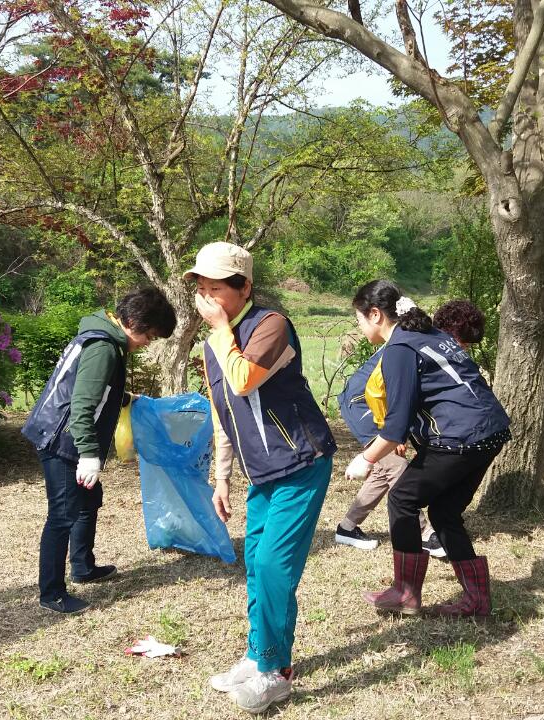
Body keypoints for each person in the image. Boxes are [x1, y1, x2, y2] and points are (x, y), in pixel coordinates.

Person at [187, 241, 337, 714]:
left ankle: (274, 672)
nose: (207, 297)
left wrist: (219, 330)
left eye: (216, 288)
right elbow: (222, 412)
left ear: (244, 288)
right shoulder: (215, 343)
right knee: (255, 561)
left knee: (274, 565)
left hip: (300, 463)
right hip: (261, 473)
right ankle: (259, 656)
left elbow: (243, 380)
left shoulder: (270, 325)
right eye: (202, 288)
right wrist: (222, 478)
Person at [346, 280, 511, 617]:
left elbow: (395, 425)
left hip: (461, 437)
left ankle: (406, 593)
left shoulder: (399, 348)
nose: (360, 327)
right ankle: (477, 600)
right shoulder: (427, 334)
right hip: (490, 430)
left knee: (402, 498)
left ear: (375, 314)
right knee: (444, 512)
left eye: (359, 319)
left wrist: (366, 458)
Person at [21, 287, 177, 615]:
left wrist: (127, 399)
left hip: (65, 434)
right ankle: (52, 593)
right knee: (62, 514)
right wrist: (89, 455)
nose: (148, 343)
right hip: (62, 439)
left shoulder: (105, 336)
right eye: (149, 335)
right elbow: (81, 405)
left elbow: (94, 387)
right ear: (133, 322)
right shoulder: (104, 347)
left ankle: (83, 566)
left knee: (89, 499)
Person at [333, 345, 441, 557]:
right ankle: (423, 533)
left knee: (383, 469)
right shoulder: (412, 344)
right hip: (363, 401)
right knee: (397, 465)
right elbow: (385, 390)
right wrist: (392, 431)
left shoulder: (426, 344)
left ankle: (347, 527)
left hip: (377, 402)